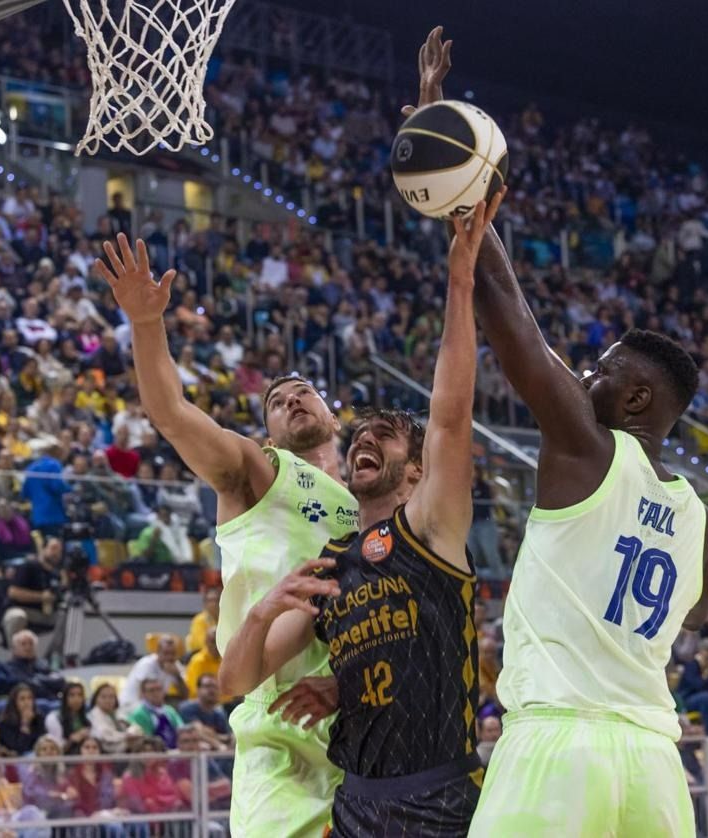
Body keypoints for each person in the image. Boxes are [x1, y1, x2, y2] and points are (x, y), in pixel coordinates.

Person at [400, 27, 708, 836]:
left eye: (603, 371)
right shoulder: (699, 515)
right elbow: (697, 611)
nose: (584, 376)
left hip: (559, 746)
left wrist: (442, 139)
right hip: (653, 759)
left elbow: (506, 306)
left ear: (638, 399)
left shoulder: (587, 446)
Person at [221, 192, 497, 836]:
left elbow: (452, 413)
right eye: (361, 435)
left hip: (442, 793)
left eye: (386, 435)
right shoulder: (331, 568)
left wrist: (460, 280)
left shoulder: (431, 531)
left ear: (417, 471)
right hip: (355, 805)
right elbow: (235, 682)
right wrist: (265, 611)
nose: (366, 439)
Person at [100, 231, 359, 837]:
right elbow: (171, 414)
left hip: (357, 713)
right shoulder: (260, 470)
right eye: (277, 401)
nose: (293, 401)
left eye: (304, 394)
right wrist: (146, 324)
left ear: (331, 415)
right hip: (279, 717)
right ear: (265, 431)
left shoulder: (365, 498)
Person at [2, 538, 66, 649]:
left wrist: (65, 583)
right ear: (43, 549)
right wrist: (41, 597)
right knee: (16, 616)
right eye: (53, 548)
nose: (56, 553)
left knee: (66, 617)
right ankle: (15, 654)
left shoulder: (57, 574)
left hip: (44, 613)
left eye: (60, 551)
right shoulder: (29, 566)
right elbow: (13, 592)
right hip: (21, 609)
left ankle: (54, 656)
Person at [119, 634, 189, 710]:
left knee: (184, 706)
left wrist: (177, 676)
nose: (169, 657)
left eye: (173, 653)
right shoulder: (147, 664)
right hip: (132, 704)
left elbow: (185, 695)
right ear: (158, 653)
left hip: (155, 703)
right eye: (166, 653)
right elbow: (143, 695)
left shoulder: (175, 665)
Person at [126, 677, 187, 749]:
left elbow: (181, 730)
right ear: (143, 694)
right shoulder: (138, 714)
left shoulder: (169, 710)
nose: (156, 693)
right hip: (155, 754)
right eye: (151, 690)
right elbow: (145, 740)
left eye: (159, 689)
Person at [180, 673, 234, 749]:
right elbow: (198, 732)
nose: (212, 690)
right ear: (198, 689)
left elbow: (227, 736)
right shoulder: (187, 707)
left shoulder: (219, 713)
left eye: (215, 687)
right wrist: (219, 744)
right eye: (207, 686)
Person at [88, 682, 143, 754]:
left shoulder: (118, 713)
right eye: (103, 697)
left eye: (111, 697)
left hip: (123, 748)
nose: (108, 700)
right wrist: (126, 736)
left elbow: (134, 727)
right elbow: (105, 735)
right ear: (96, 699)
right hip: (106, 752)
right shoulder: (94, 715)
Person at [0, 683, 47, 756]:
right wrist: (25, 723)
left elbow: (42, 743)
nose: (27, 703)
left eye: (29, 698)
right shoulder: (4, 723)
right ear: (14, 702)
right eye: (22, 699)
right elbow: (19, 748)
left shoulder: (39, 718)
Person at [46, 681, 91, 749]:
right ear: (65, 698)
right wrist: (71, 740)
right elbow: (55, 749)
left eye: (80, 695)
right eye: (72, 695)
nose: (76, 699)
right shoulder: (54, 718)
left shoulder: (88, 718)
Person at [186, 587, 221, 655]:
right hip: (200, 655)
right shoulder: (199, 620)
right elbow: (200, 644)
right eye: (210, 600)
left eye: (216, 600)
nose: (213, 604)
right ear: (205, 603)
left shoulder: (223, 619)